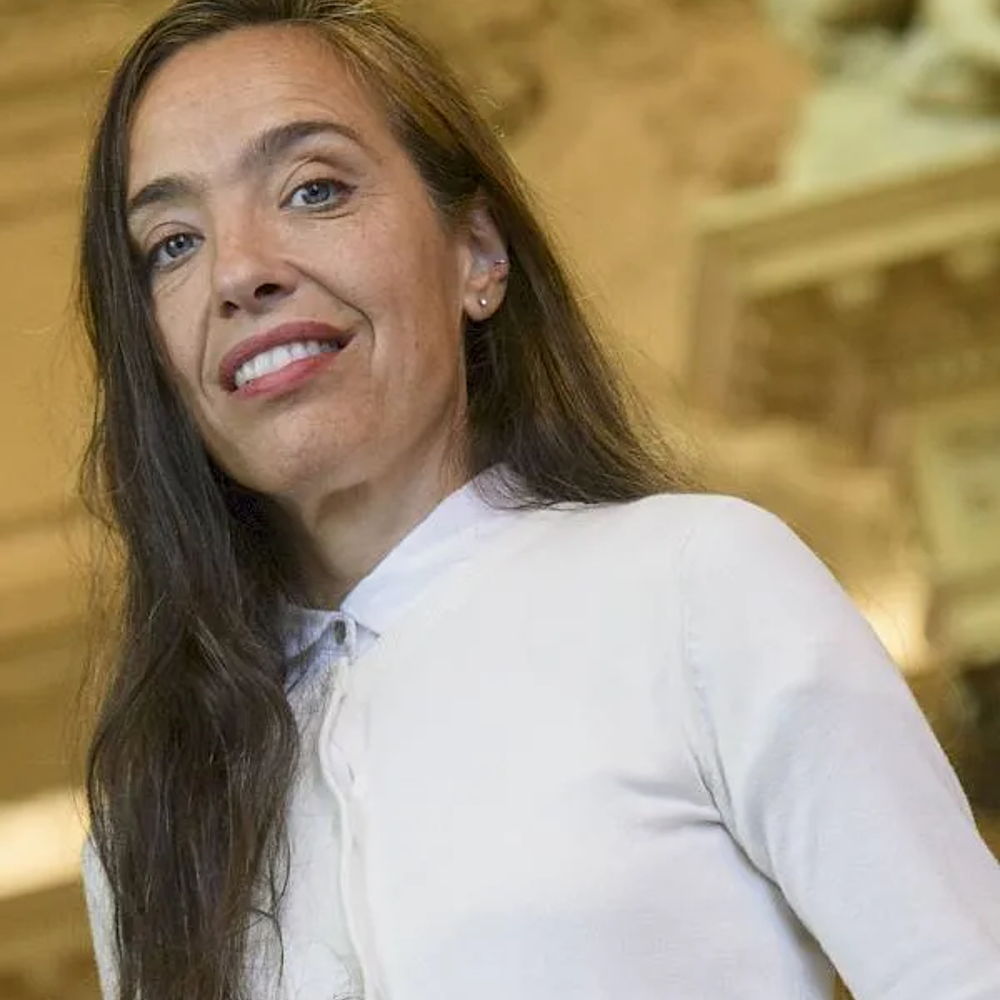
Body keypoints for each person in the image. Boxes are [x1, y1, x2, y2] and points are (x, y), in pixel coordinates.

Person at [77, 1, 1000, 998]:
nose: (239, 272)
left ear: (476, 253)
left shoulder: (695, 587)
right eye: (172, 244)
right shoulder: (147, 821)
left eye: (314, 189)